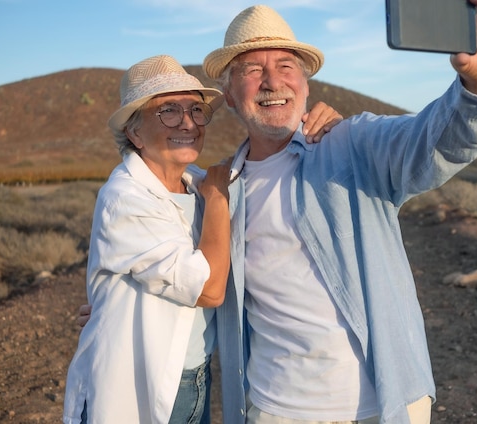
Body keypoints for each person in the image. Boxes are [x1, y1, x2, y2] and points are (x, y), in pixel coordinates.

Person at [200, 1, 477, 423]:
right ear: (232, 97)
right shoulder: (219, 191)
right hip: (276, 409)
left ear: (306, 85)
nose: (273, 81)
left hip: (385, 406)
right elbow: (181, 273)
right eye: (251, 70)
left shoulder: (353, 143)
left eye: (287, 66)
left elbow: (432, 143)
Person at [66, 55, 342, 424]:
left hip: (195, 375)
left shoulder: (194, 183)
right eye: (168, 111)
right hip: (137, 379)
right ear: (133, 132)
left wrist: (329, 131)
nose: (188, 123)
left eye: (196, 110)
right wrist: (217, 199)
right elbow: (210, 289)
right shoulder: (126, 198)